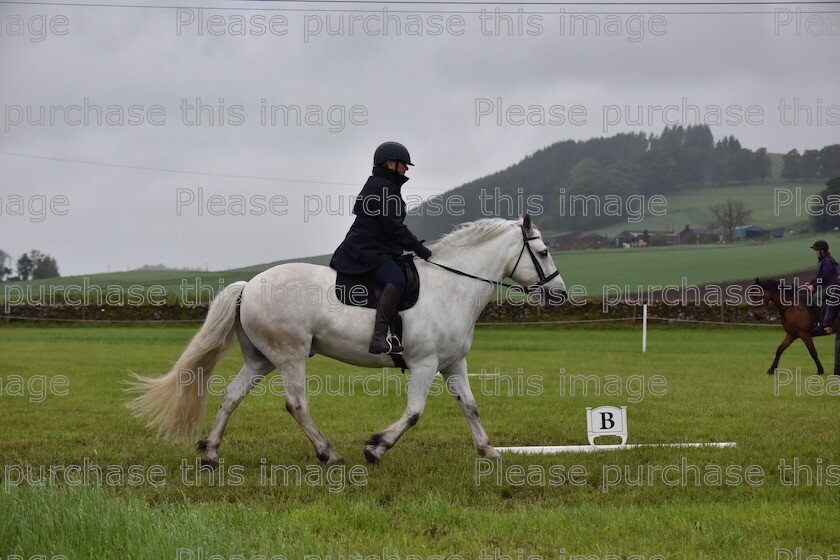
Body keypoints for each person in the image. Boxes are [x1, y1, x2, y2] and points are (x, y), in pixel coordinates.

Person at [330, 141, 432, 354]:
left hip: (375, 248)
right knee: (396, 279)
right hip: (366, 250)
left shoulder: (382, 185)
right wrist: (420, 249)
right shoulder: (383, 187)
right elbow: (394, 226)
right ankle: (378, 338)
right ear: (390, 164)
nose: (405, 170)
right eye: (403, 165)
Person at [804, 240, 840, 335]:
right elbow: (819, 277)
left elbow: (825, 277)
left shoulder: (827, 261)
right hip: (826, 285)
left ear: (822, 250)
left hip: (832, 286)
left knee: (816, 298)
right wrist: (810, 283)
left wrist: (814, 286)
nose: (815, 251)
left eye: (816, 250)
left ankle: (821, 322)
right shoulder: (823, 260)